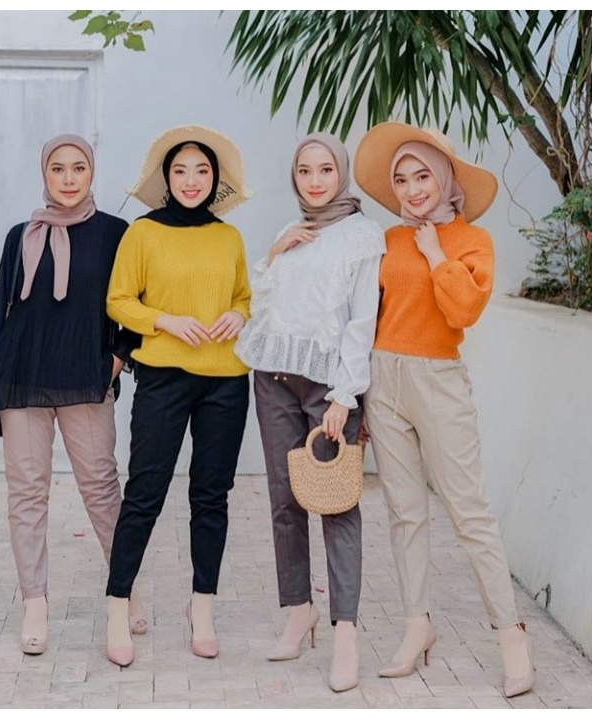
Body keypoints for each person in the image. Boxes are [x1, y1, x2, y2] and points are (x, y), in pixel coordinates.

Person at [353, 122, 536, 698]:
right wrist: (358, 395)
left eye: (422, 177)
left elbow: (462, 312)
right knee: (404, 512)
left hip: (438, 380)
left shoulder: (471, 241)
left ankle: (511, 635)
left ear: (444, 179)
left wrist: (435, 255)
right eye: (401, 180)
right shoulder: (387, 239)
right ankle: (417, 626)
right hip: (383, 377)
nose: (411, 190)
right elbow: (366, 315)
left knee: (469, 513)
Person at [0, 134, 146, 655]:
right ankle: (35, 604)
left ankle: (124, 591)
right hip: (21, 377)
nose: (68, 178)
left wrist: (117, 357)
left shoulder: (116, 233)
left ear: (92, 173)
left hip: (85, 379)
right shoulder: (21, 235)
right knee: (26, 493)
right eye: (58, 169)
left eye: (78, 168)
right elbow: (1, 308)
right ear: (45, 174)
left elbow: (136, 301)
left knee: (101, 488)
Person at [235, 132, 385, 692]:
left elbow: (362, 321)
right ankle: (300, 611)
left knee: (337, 502)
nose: (315, 181)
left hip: (328, 387)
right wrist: (276, 254)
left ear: (340, 172)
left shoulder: (362, 235)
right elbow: (265, 308)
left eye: (325, 169)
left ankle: (345, 631)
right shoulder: (290, 230)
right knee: (284, 499)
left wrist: (346, 396)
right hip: (273, 377)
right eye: (304, 171)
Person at [103, 125, 252, 668]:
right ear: (166, 178)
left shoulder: (229, 237)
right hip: (162, 376)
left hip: (226, 379)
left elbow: (244, 297)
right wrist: (165, 320)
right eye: (181, 171)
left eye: (202, 171)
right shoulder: (143, 233)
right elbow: (119, 300)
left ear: (214, 180)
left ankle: (202, 607)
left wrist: (239, 313)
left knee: (211, 496)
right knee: (145, 492)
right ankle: (117, 606)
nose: (192, 180)